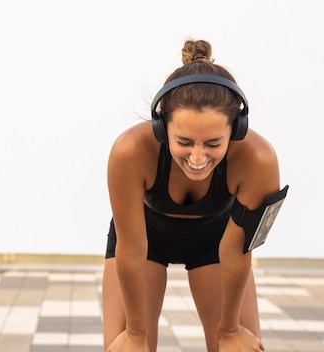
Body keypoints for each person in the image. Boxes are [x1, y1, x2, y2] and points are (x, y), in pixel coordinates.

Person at [102, 39, 285, 352]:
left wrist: (229, 330)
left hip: (217, 240)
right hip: (144, 238)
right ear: (162, 128)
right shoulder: (130, 151)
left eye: (213, 144)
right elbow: (131, 249)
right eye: (184, 141)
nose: (198, 158)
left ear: (236, 129)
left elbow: (237, 251)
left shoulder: (258, 160)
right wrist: (135, 334)